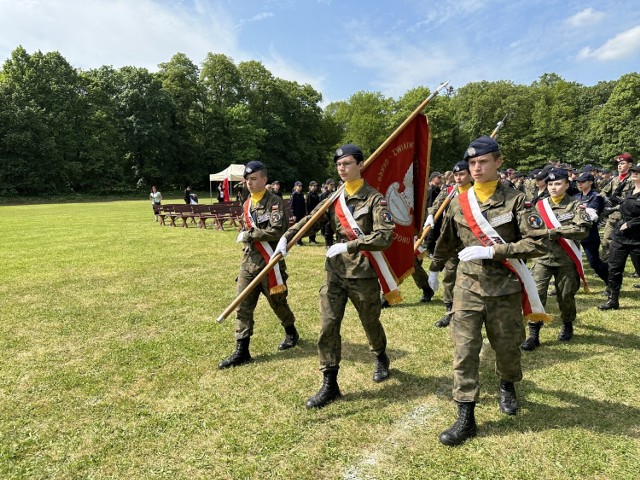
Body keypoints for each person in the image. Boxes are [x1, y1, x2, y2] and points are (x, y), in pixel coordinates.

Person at [427, 136, 548, 446]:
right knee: (464, 351)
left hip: (504, 288)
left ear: (498, 162)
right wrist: (435, 267)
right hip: (467, 287)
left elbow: (536, 243)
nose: (476, 167)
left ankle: (507, 384)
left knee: (507, 349)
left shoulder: (517, 200)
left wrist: (494, 252)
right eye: (471, 163)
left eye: (482, 162)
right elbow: (447, 240)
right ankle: (466, 416)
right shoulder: (458, 201)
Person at [273, 144, 395, 409]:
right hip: (335, 272)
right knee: (328, 325)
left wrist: (351, 245)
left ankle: (380, 356)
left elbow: (385, 236)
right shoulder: (333, 198)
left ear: (361, 165)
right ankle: (330, 383)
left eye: (348, 163)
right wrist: (287, 237)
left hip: (362, 272)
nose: (342, 168)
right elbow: (311, 220)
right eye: (339, 164)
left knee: (370, 322)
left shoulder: (375, 199)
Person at [218, 161, 299, 369]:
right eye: (247, 179)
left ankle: (291, 331)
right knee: (242, 305)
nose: (249, 183)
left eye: (254, 179)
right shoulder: (246, 204)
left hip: (269, 262)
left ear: (264, 180)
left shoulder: (274, 202)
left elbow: (277, 230)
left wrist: (250, 234)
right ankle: (242, 350)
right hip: (248, 263)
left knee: (277, 303)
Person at [521, 168, 593, 350]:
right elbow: (531, 227)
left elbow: (583, 230)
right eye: (550, 184)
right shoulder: (540, 205)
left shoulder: (576, 206)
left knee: (566, 295)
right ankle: (533, 334)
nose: (553, 187)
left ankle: (567, 324)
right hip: (542, 257)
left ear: (567, 185)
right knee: (536, 294)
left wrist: (555, 231)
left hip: (566, 259)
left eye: (558, 183)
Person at [424, 160, 473, 327]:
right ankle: (449, 311)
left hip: (473, 242)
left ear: (470, 174)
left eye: (462, 174)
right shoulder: (450, 191)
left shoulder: (477, 191)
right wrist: (430, 215)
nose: (458, 178)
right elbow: (434, 206)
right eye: (456, 175)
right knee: (449, 276)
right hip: (452, 240)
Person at [599, 162, 640, 310]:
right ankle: (613, 300)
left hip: (637, 239)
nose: (635, 173)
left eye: (638, 172)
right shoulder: (630, 191)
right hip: (621, 237)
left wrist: (631, 224)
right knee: (614, 268)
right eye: (634, 171)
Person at [574, 171, 609, 287]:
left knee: (593, 262)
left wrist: (581, 210)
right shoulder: (576, 196)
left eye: (582, 182)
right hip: (575, 233)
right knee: (571, 262)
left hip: (589, 234)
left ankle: (610, 281)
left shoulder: (596, 196)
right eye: (578, 182)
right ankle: (568, 285)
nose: (579, 184)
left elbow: (592, 214)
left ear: (590, 182)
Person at [600, 153, 635, 263]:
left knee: (632, 244)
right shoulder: (615, 180)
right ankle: (606, 265)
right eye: (619, 164)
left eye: (623, 163)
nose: (619, 166)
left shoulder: (634, 180)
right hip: (613, 216)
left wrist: (619, 204)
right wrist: (606, 200)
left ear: (630, 165)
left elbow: (634, 199)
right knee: (606, 241)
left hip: (627, 218)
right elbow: (603, 193)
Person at [319, 178, 336, 247]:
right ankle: (327, 244)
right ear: (327, 185)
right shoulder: (324, 194)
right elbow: (321, 205)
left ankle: (331, 243)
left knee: (331, 230)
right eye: (331, 184)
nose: (332, 186)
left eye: (333, 185)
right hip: (326, 214)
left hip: (332, 213)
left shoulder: (334, 193)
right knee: (327, 230)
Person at [290, 181, 307, 245]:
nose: (300, 187)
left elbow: (303, 205)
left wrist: (304, 213)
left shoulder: (301, 194)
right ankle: (296, 241)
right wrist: (293, 215)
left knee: (301, 227)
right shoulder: (294, 195)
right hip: (296, 214)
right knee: (297, 227)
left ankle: (300, 240)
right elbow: (292, 206)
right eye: (299, 186)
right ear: (295, 187)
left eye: (301, 186)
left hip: (301, 213)